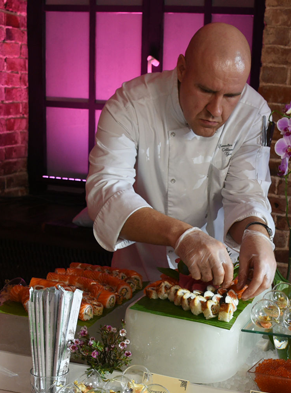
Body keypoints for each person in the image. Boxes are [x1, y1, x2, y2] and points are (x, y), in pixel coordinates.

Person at [86, 23, 276, 300]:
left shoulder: (254, 113)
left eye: (231, 96)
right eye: (205, 90)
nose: (216, 110)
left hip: (217, 280)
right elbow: (106, 194)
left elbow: (246, 194)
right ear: (182, 69)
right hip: (140, 276)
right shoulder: (131, 105)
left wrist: (256, 233)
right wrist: (182, 235)